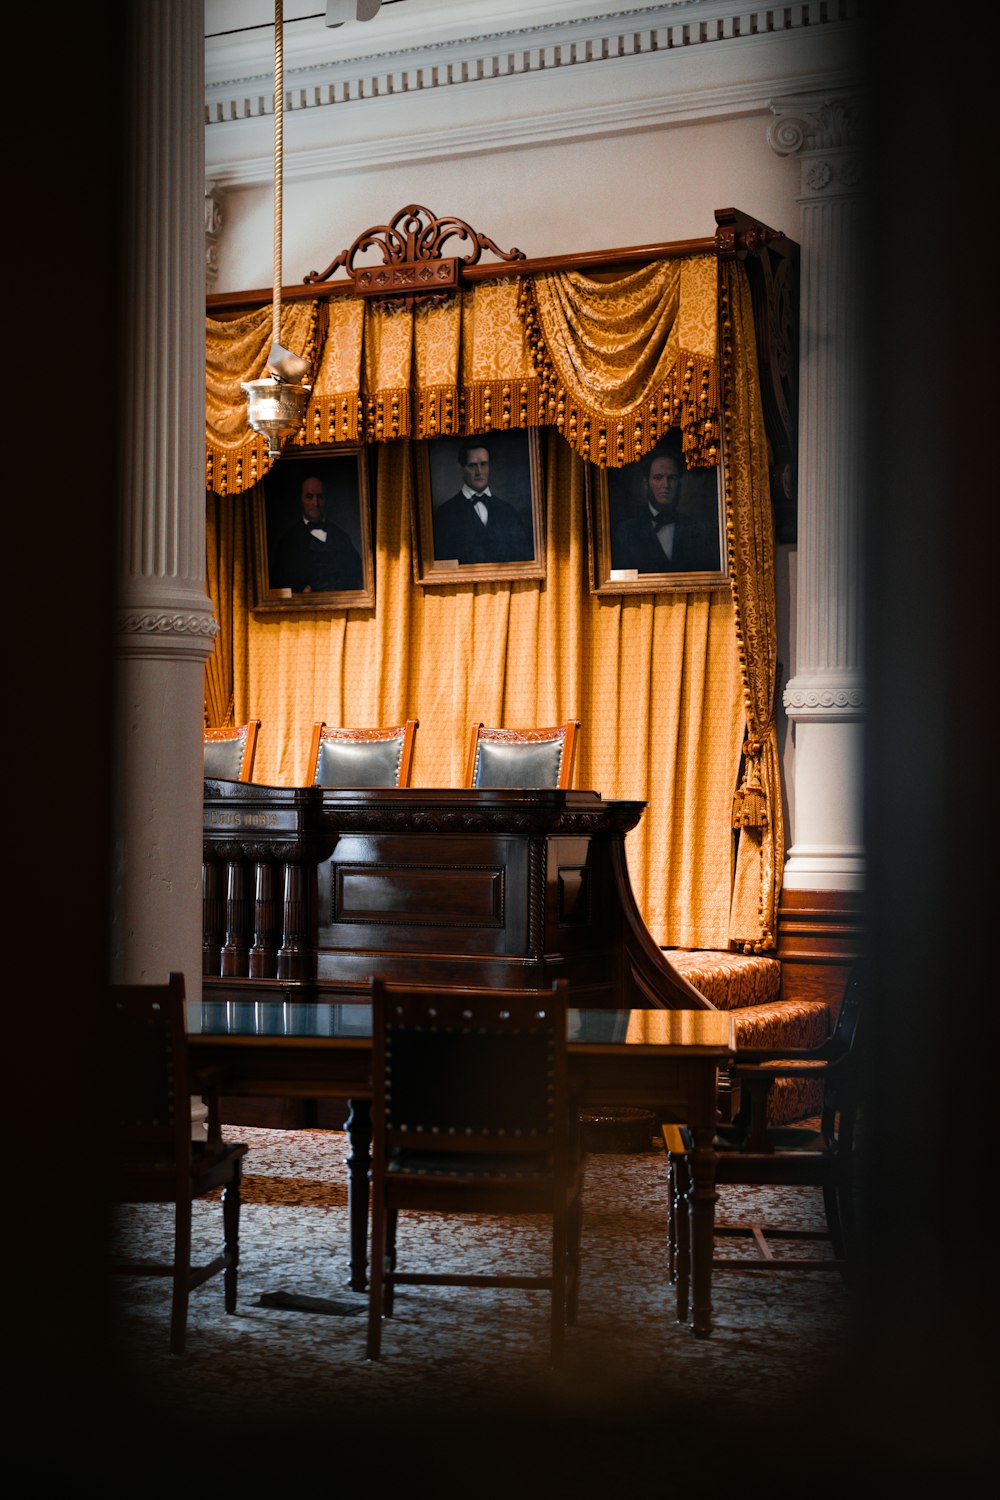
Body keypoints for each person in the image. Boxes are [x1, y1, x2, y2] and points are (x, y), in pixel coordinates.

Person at [610, 442, 720, 574]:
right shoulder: (625, 532)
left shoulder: (697, 530)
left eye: (672, 478)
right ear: (646, 483)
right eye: (658, 478)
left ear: (679, 482)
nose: (665, 485)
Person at [432, 441, 534, 564]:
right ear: (461, 468)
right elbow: (443, 565)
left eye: (483, 464)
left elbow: (523, 561)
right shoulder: (445, 514)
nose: (479, 472)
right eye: (472, 465)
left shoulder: (508, 511)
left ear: (490, 467)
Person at [269, 473, 364, 593]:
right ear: (300, 500)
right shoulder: (288, 541)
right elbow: (277, 584)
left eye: (320, 497)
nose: (316, 503)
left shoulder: (341, 537)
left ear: (326, 500)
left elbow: (358, 577)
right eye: (309, 497)